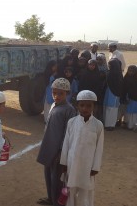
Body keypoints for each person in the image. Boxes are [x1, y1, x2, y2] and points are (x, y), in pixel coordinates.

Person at [36, 78, 77, 206]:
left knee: (56, 179)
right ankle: (50, 198)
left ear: (67, 93)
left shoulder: (69, 110)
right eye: (54, 93)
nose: (56, 96)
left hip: (58, 150)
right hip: (49, 146)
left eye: (60, 93)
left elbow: (68, 133)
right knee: (48, 174)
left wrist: (61, 152)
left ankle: (57, 202)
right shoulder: (54, 105)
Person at [60, 90, 104, 206]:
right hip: (72, 164)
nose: (85, 108)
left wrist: (95, 167)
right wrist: (64, 163)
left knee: (86, 191)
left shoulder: (98, 125)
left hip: (88, 166)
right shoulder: (72, 122)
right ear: (77, 106)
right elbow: (66, 144)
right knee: (71, 190)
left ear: (94, 106)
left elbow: (99, 148)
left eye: (89, 105)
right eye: (82, 105)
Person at [103, 59, 123, 131]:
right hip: (109, 92)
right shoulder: (110, 73)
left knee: (112, 109)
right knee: (107, 108)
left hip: (114, 94)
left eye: (110, 65)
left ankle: (111, 125)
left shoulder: (117, 74)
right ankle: (106, 124)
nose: (109, 66)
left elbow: (119, 86)